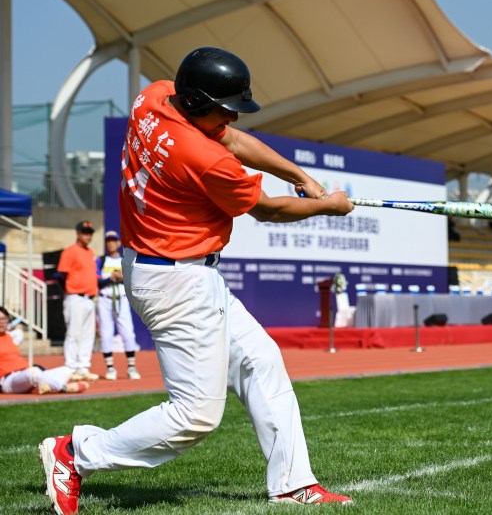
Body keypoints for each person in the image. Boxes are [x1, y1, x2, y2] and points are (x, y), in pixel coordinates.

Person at [38, 47, 355, 515]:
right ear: (198, 103)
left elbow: (231, 138)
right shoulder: (200, 156)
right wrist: (329, 207)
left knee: (261, 361)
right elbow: (267, 210)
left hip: (176, 269)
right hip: (176, 281)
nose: (230, 117)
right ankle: (74, 454)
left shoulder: (156, 95)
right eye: (224, 108)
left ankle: (293, 483)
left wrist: (298, 174)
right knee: (196, 415)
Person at [0, 306, 88, 395]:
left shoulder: (10, 336)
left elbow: (18, 333)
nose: (1, 322)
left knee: (67, 370)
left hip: (24, 373)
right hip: (9, 380)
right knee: (33, 372)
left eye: (3, 319)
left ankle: (40, 386)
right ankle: (63, 388)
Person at [56, 220, 100, 382]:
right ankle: (71, 367)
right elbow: (61, 275)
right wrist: (69, 291)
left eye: (90, 233)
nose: (88, 236)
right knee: (74, 333)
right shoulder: (70, 251)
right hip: (75, 297)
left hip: (89, 298)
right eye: (85, 232)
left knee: (88, 335)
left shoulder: (90, 252)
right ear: (78, 233)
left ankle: (83, 367)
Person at [96, 230, 141, 380]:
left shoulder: (125, 260)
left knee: (128, 332)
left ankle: (132, 367)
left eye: (113, 240)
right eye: (108, 241)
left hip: (122, 298)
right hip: (105, 298)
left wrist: (122, 277)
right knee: (106, 334)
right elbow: (96, 280)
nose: (111, 243)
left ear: (118, 242)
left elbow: (134, 279)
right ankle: (110, 368)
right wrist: (110, 277)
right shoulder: (100, 260)